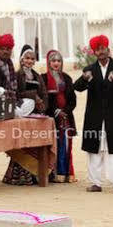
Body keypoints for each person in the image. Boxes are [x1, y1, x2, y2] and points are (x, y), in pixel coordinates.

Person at [73, 35, 113, 195]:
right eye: (97, 49)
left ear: (108, 49)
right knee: (94, 150)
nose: (101, 52)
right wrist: (84, 79)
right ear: (94, 52)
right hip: (94, 117)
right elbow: (77, 87)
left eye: (103, 48)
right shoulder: (89, 70)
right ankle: (95, 183)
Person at [2, 45, 49, 185]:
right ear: (22, 60)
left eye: (32, 59)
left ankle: (33, 175)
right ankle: (17, 177)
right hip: (21, 113)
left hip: (35, 116)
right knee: (21, 145)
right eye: (27, 58)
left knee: (33, 144)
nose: (29, 61)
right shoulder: (17, 75)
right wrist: (34, 97)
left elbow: (44, 95)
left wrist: (42, 107)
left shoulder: (37, 76)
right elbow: (15, 94)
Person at [42, 50, 77, 183]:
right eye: (53, 60)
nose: (56, 63)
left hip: (66, 118)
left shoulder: (67, 78)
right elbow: (45, 100)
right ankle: (53, 174)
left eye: (58, 60)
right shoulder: (44, 78)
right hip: (51, 119)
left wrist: (65, 111)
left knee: (66, 146)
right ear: (48, 62)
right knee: (53, 146)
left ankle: (65, 174)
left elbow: (73, 100)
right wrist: (56, 111)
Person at [0, 34, 34, 117]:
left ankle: (14, 112)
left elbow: (14, 90)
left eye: (8, 49)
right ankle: (14, 113)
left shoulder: (9, 65)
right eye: (2, 49)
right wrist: (2, 93)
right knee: (15, 111)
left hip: (9, 101)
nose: (5, 51)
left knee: (30, 102)